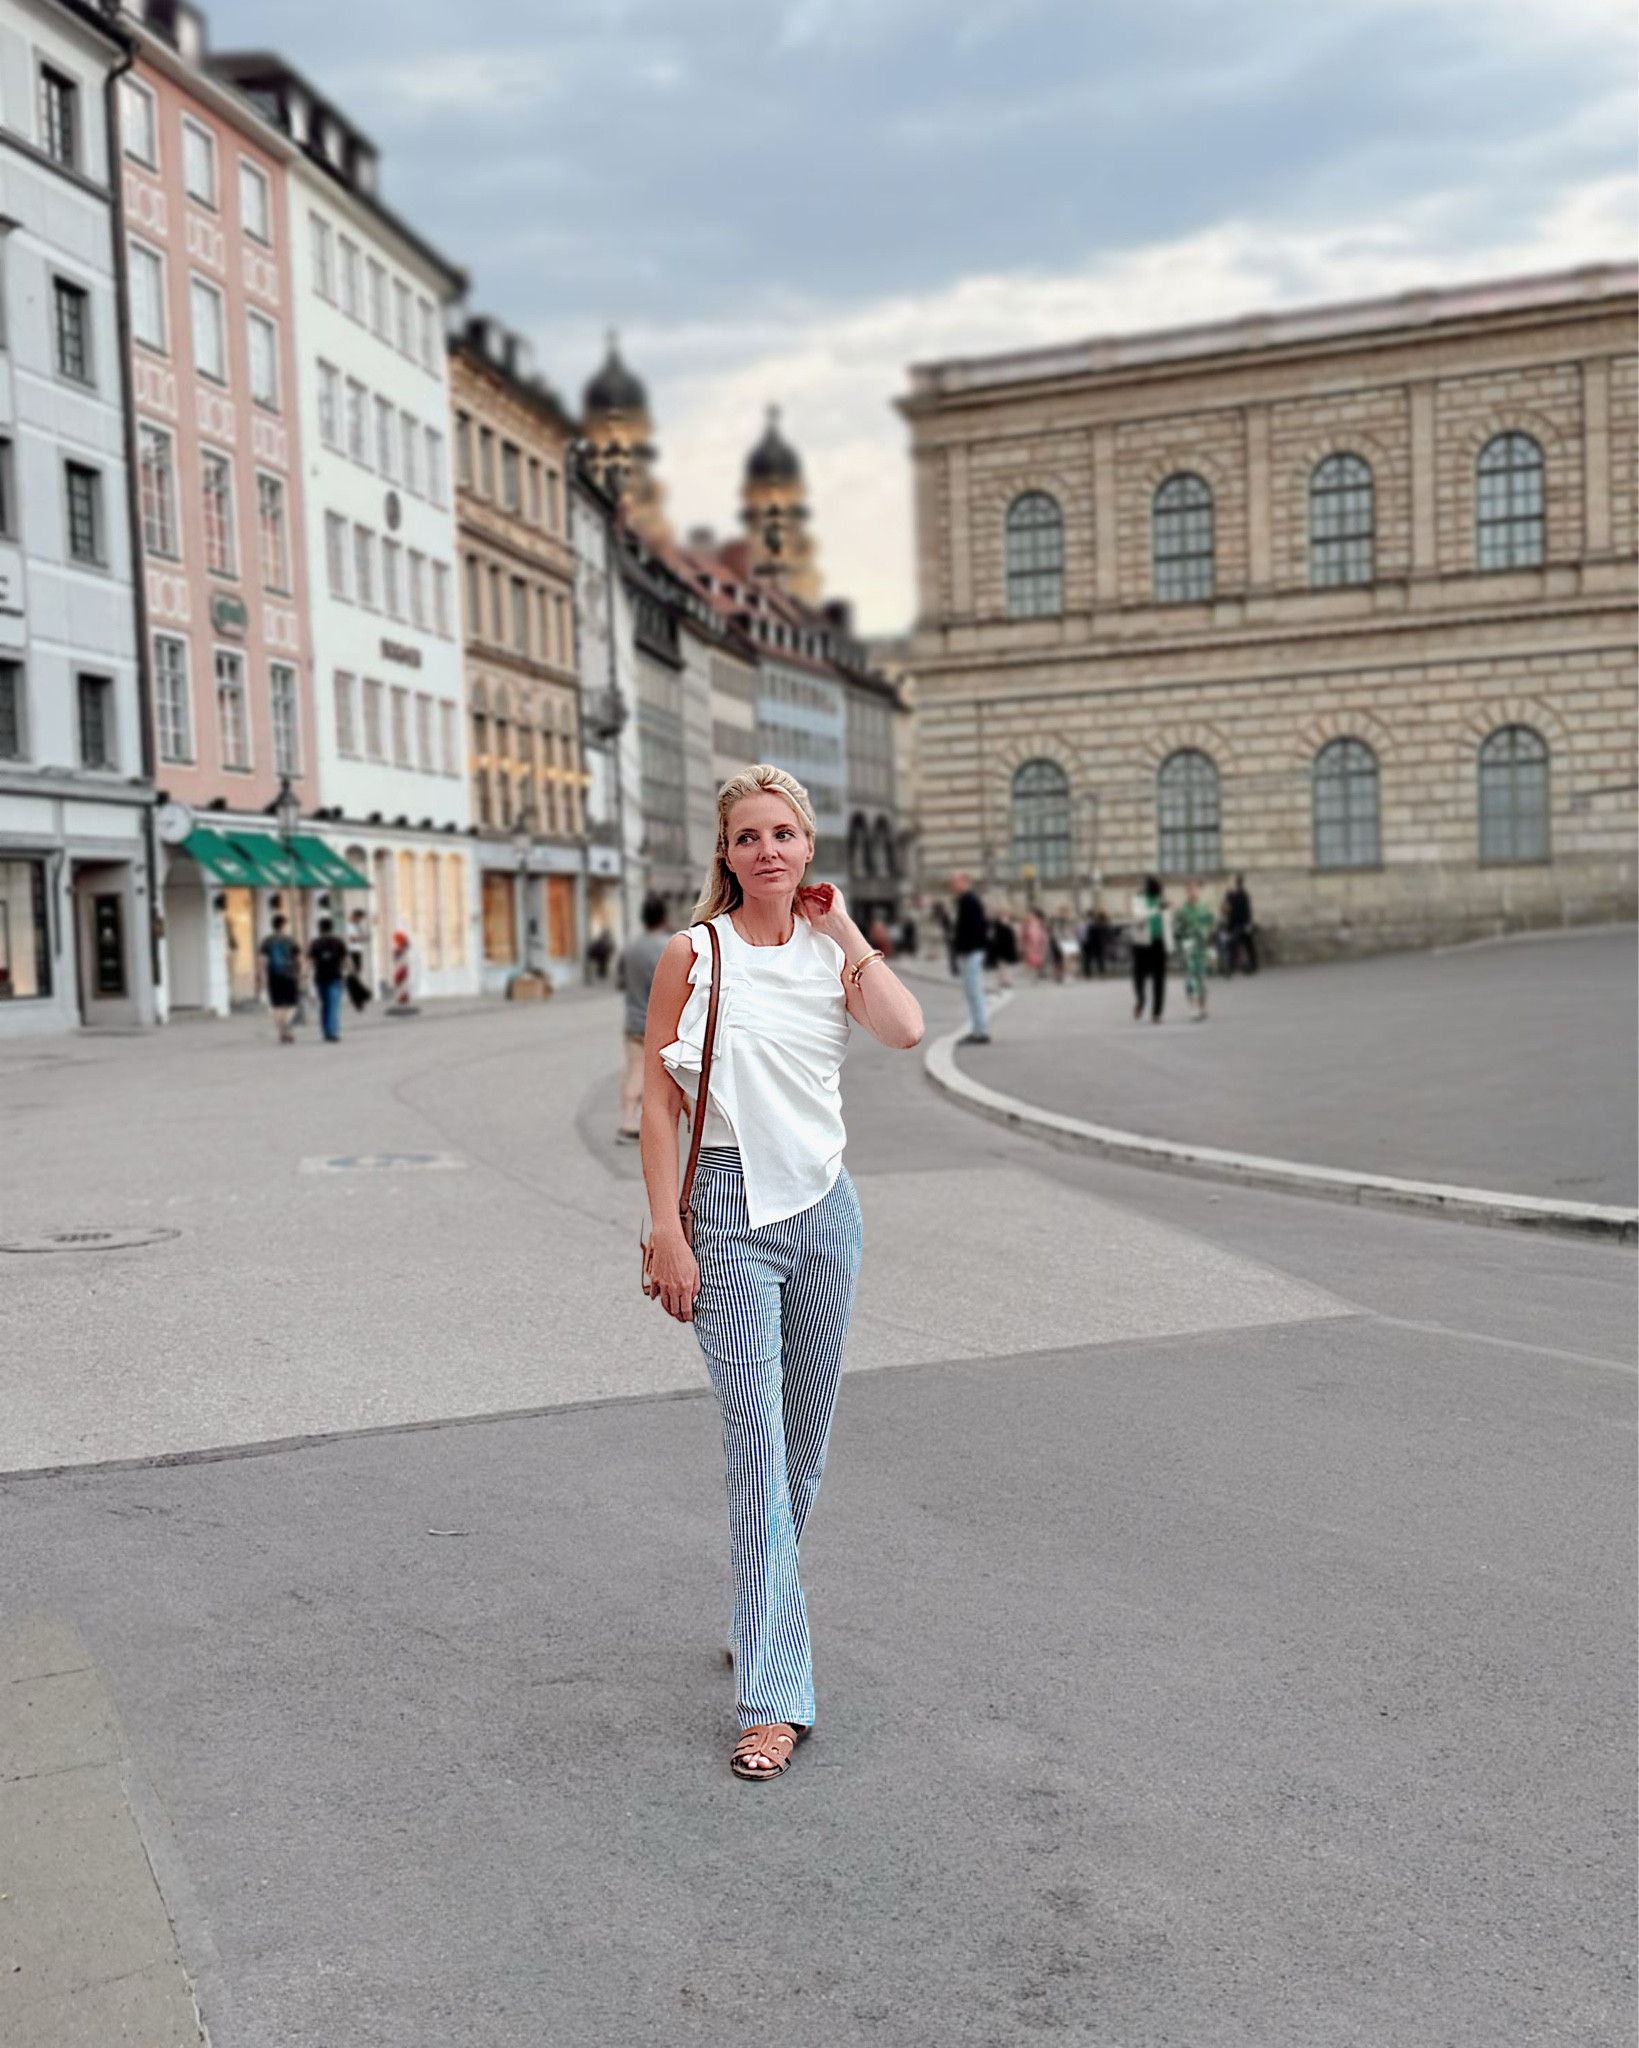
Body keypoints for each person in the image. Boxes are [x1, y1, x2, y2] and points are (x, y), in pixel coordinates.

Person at [640, 764, 924, 1781]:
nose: (767, 850)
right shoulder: (693, 953)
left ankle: (757, 1610)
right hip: (724, 1213)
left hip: (825, 1213)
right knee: (756, 1446)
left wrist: (845, 931)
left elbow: (905, 1029)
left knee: (803, 1446)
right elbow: (660, 1102)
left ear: (808, 847)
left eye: (784, 833)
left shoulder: (828, 957)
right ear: (724, 853)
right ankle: (772, 1696)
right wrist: (666, 1230)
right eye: (748, 836)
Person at [615, 895, 671, 1141]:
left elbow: (620, 983)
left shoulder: (630, 948)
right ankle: (652, 1125)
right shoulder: (668, 946)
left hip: (633, 1022)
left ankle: (627, 1121)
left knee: (634, 1071)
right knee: (660, 1076)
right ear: (663, 918)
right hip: (659, 1022)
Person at [950, 872, 990, 1043]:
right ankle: (977, 1028)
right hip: (971, 951)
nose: (953, 885)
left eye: (956, 882)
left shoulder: (969, 901)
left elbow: (972, 929)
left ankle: (980, 1031)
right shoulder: (968, 900)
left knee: (974, 992)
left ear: (965, 882)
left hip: (970, 952)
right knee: (972, 992)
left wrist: (964, 951)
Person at [1173, 879, 1216, 1022]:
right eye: (1189, 889)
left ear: (1198, 890)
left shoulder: (1204, 908)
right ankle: (1193, 1007)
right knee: (1190, 978)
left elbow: (1211, 924)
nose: (1192, 892)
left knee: (1202, 978)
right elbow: (1176, 931)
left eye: (1194, 889)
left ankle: (1202, 1005)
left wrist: (1208, 935)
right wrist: (1179, 946)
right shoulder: (1182, 910)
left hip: (1201, 947)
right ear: (1186, 891)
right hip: (1188, 947)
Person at [1130, 875, 1169, 1023]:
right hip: (1141, 943)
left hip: (1158, 942)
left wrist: (1170, 943)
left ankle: (1157, 1013)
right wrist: (1156, 908)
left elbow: (1168, 922)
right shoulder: (1138, 899)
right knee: (1138, 978)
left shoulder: (1162, 900)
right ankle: (1141, 1000)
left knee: (1159, 979)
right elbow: (1139, 918)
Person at [256, 915, 300, 1045]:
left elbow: (262, 960)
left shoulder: (267, 941)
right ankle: (286, 1027)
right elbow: (298, 959)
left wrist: (261, 976)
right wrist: (300, 974)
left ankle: (282, 1032)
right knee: (291, 1005)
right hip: (289, 976)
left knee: (277, 1006)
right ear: (283, 925)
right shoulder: (290, 940)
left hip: (273, 976)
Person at [306, 917, 350, 1043]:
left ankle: (326, 1031)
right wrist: (351, 972)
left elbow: (309, 961)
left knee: (325, 1005)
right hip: (335, 977)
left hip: (320, 978)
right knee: (333, 1005)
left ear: (320, 928)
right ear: (331, 928)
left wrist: (304, 975)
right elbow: (346, 959)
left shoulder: (315, 943)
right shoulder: (338, 942)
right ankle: (331, 1032)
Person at [1222, 873, 1258, 976]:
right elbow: (1224, 909)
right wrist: (1225, 908)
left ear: (1236, 883)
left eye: (1231, 881)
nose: (1229, 883)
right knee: (1232, 945)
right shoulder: (1228, 894)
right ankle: (1231, 967)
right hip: (1232, 924)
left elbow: (1246, 911)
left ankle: (1253, 965)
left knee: (1248, 945)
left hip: (1243, 923)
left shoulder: (1243, 894)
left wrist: (1248, 924)